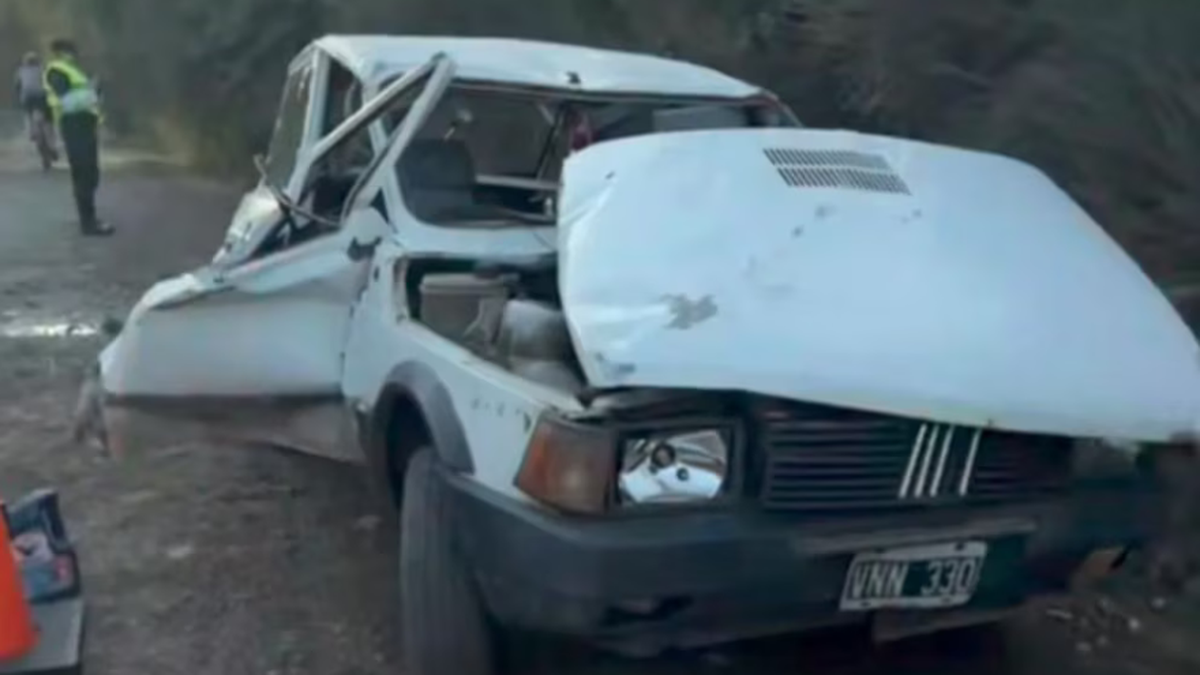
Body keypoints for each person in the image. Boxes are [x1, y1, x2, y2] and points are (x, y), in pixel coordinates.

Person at [44, 38, 112, 235]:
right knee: (84, 173)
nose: (73, 55)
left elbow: (82, 94)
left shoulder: (73, 70)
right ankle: (88, 223)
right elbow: (68, 100)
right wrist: (92, 93)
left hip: (85, 124)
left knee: (91, 173)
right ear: (60, 52)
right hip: (73, 124)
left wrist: (94, 90)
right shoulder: (56, 71)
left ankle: (90, 219)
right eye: (69, 51)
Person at [12, 51, 56, 152]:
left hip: (27, 98)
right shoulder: (43, 69)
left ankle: (31, 132)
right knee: (48, 120)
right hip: (42, 97)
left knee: (28, 114)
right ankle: (51, 144)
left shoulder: (20, 71)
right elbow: (50, 83)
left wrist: (19, 97)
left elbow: (17, 86)